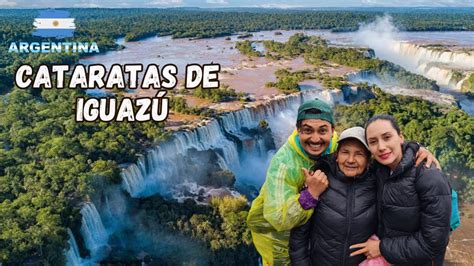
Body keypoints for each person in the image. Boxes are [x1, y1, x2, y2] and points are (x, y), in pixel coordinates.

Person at [246, 99, 438, 266]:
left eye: (322, 131)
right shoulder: (284, 164)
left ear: (332, 131)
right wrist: (310, 195)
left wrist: (416, 149)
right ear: (297, 131)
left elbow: (382, 146)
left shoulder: (344, 151)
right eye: (307, 131)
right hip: (274, 236)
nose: (315, 138)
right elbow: (280, 221)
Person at [350, 114, 451, 266]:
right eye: (373, 142)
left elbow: (434, 244)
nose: (381, 146)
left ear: (401, 137)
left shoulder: (429, 176)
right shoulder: (379, 170)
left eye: (387, 137)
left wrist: (382, 248)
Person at [289, 126, 378, 266]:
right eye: (345, 152)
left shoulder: (378, 182)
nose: (350, 160)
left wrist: (416, 148)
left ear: (368, 159)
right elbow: (299, 233)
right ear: (337, 156)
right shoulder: (319, 181)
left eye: (359, 154)